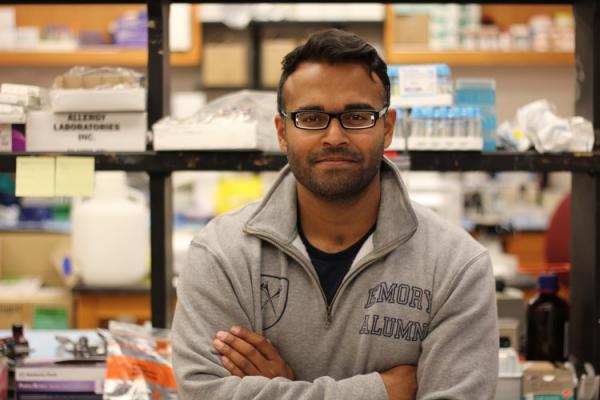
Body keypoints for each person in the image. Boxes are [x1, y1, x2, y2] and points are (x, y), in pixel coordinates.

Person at [172, 29, 498, 400]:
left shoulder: (455, 265)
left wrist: (280, 389)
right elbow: (202, 392)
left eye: (357, 116)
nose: (334, 136)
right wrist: (380, 392)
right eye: (311, 117)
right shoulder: (222, 255)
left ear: (387, 128)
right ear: (282, 132)